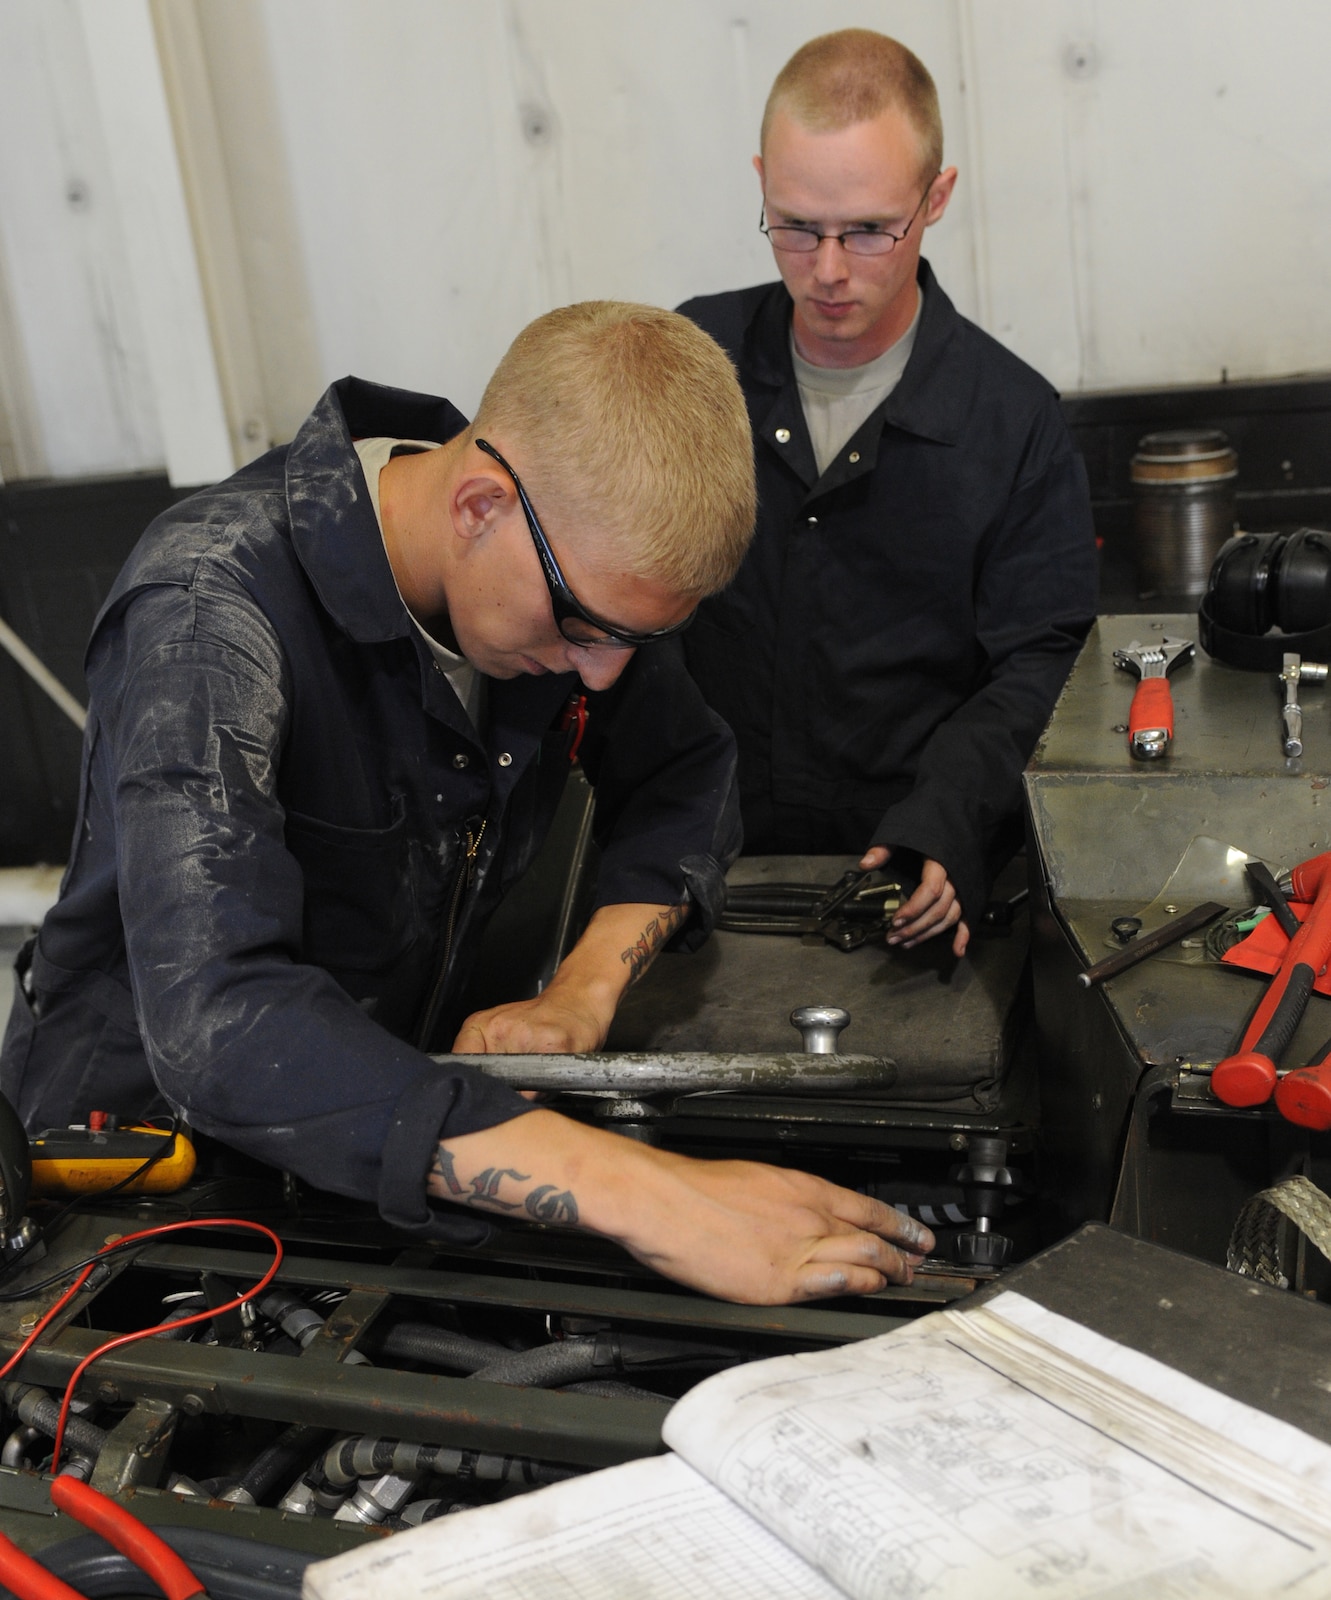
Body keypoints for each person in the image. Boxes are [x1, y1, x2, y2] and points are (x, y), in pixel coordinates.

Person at [1, 301, 930, 1303]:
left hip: (378, 1136)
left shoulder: (557, 572)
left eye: (634, 642)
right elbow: (220, 1019)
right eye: (583, 627)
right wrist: (653, 1196)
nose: (602, 674)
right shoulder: (208, 609)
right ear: (479, 502)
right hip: (126, 1189)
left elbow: (685, 770)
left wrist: (582, 993)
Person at [678, 29, 1097, 956]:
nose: (827, 271)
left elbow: (1039, 662)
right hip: (692, 876)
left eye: (869, 230)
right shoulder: (689, 367)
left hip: (905, 882)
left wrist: (947, 817)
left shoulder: (1011, 421)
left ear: (935, 197)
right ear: (760, 180)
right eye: (794, 225)